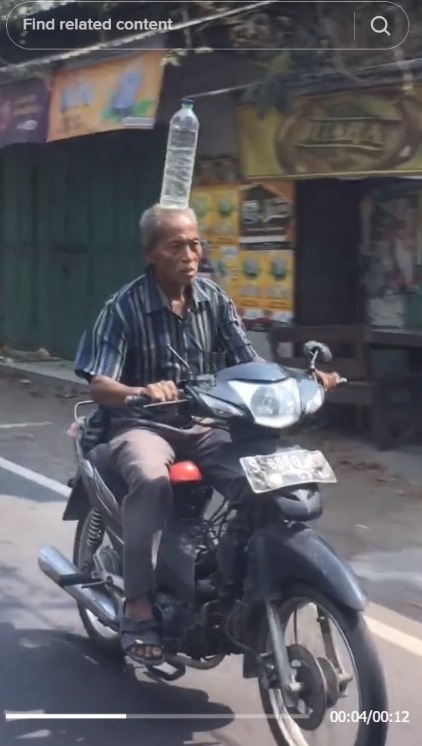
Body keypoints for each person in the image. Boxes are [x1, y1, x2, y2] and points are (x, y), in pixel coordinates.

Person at [74, 203, 339, 666]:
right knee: (152, 481)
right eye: (176, 245)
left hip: (202, 424)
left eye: (195, 243)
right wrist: (139, 390)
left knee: (260, 478)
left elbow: (247, 361)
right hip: (141, 425)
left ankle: (231, 579)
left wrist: (304, 382)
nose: (189, 254)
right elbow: (99, 383)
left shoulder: (214, 299)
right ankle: (138, 605)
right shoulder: (123, 307)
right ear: (151, 253)